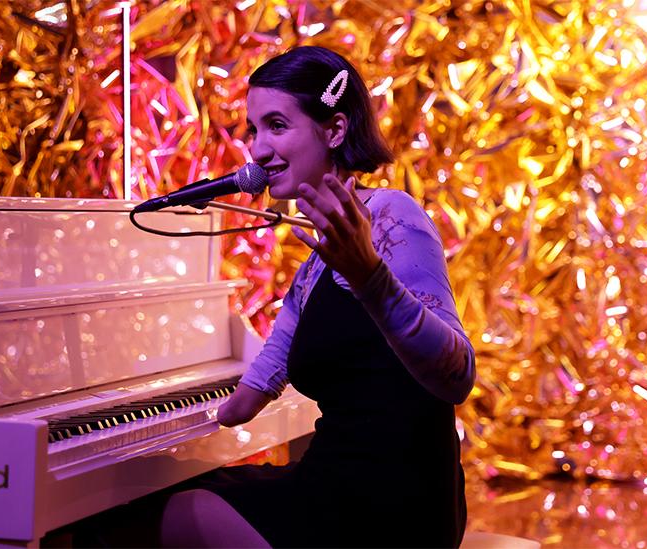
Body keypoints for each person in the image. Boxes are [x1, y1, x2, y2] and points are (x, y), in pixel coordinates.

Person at [158, 45, 476, 548]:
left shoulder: (394, 217)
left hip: (391, 506)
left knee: (181, 513)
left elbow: (458, 377)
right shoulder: (314, 264)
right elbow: (243, 404)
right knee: (174, 499)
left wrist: (370, 277)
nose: (258, 150)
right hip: (339, 486)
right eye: (253, 130)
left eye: (277, 125)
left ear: (334, 129)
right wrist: (139, 417)